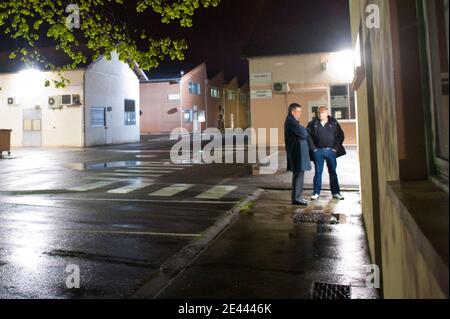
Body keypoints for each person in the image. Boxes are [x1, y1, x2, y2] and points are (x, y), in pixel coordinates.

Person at [307, 106, 346, 201]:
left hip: (330, 151)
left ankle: (336, 193)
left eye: (323, 113)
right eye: (319, 113)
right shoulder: (312, 124)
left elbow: (340, 136)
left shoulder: (334, 123)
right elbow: (308, 136)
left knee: (333, 172)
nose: (320, 114)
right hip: (318, 151)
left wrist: (336, 148)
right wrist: (314, 149)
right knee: (318, 173)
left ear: (327, 113)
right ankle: (316, 193)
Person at [285, 103, 311, 206]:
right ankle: (296, 198)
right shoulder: (291, 121)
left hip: (298, 152)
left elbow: (303, 132)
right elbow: (304, 134)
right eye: (298, 111)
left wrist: (303, 129)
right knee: (298, 175)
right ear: (293, 112)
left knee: (300, 174)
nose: (300, 113)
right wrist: (303, 129)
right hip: (297, 153)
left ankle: (298, 197)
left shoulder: (293, 121)